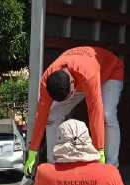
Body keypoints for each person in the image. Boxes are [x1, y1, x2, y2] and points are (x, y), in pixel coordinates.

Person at [25, 46, 124, 174]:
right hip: (79, 79)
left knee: (107, 115)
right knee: (52, 116)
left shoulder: (88, 75)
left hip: (110, 72)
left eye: (69, 95)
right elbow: (41, 117)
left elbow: (95, 112)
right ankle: (54, 164)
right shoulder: (46, 79)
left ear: (71, 83)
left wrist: (100, 151)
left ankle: (111, 167)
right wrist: (32, 152)